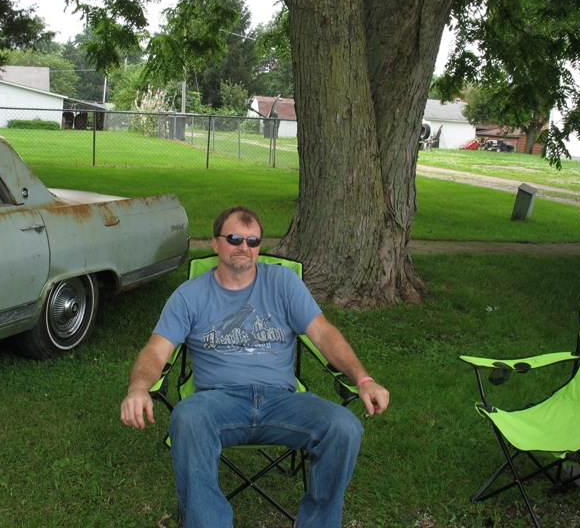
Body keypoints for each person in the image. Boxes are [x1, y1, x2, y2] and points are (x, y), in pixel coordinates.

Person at [120, 206, 389, 528]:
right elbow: (156, 349)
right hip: (217, 402)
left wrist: (363, 378)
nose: (244, 247)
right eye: (234, 239)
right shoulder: (189, 295)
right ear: (215, 243)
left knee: (344, 427)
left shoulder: (284, 283)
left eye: (253, 241)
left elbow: (324, 334)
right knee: (187, 418)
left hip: (282, 401)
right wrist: (138, 388)